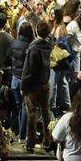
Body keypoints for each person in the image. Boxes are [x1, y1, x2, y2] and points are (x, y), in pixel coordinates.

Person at [21, 23, 54, 153]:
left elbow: (28, 70)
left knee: (32, 114)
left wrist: (23, 86)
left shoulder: (34, 48)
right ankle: (47, 141)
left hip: (33, 86)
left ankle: (30, 144)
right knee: (46, 112)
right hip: (45, 83)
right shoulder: (50, 44)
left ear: (36, 31)